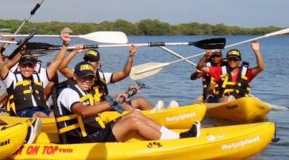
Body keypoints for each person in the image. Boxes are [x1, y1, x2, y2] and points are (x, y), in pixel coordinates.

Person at [52, 61, 200, 144]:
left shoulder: (85, 91)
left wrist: (118, 98)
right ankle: (177, 141)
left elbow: (99, 104)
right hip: (80, 141)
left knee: (134, 113)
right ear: (75, 77)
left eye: (90, 78)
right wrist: (113, 102)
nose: (87, 81)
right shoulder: (68, 92)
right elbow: (83, 111)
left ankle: (175, 136)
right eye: (83, 77)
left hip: (94, 133)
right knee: (132, 123)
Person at [0, 30, 72, 119]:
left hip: (43, 109)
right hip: (23, 112)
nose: (27, 68)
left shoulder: (40, 77)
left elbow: (57, 62)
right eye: (24, 66)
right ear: (19, 67)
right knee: (41, 115)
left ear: (34, 67)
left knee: (57, 114)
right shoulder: (12, 79)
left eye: (30, 66)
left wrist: (65, 44)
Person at [61, 46, 155, 111]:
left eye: (92, 61)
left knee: (140, 101)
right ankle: (142, 118)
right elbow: (61, 67)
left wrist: (131, 56)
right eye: (86, 60)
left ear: (98, 63)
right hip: (94, 110)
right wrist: (75, 51)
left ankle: (158, 114)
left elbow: (124, 73)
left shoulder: (102, 76)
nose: (89, 62)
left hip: (105, 106)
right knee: (120, 103)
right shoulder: (78, 74)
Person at [198, 42, 265, 102]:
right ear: (227, 60)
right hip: (222, 100)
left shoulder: (246, 73)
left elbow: (261, 67)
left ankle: (233, 100)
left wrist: (256, 51)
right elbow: (200, 67)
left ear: (239, 61)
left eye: (235, 59)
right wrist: (206, 56)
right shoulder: (220, 70)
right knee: (225, 98)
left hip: (240, 100)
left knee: (247, 99)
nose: (232, 61)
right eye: (230, 59)